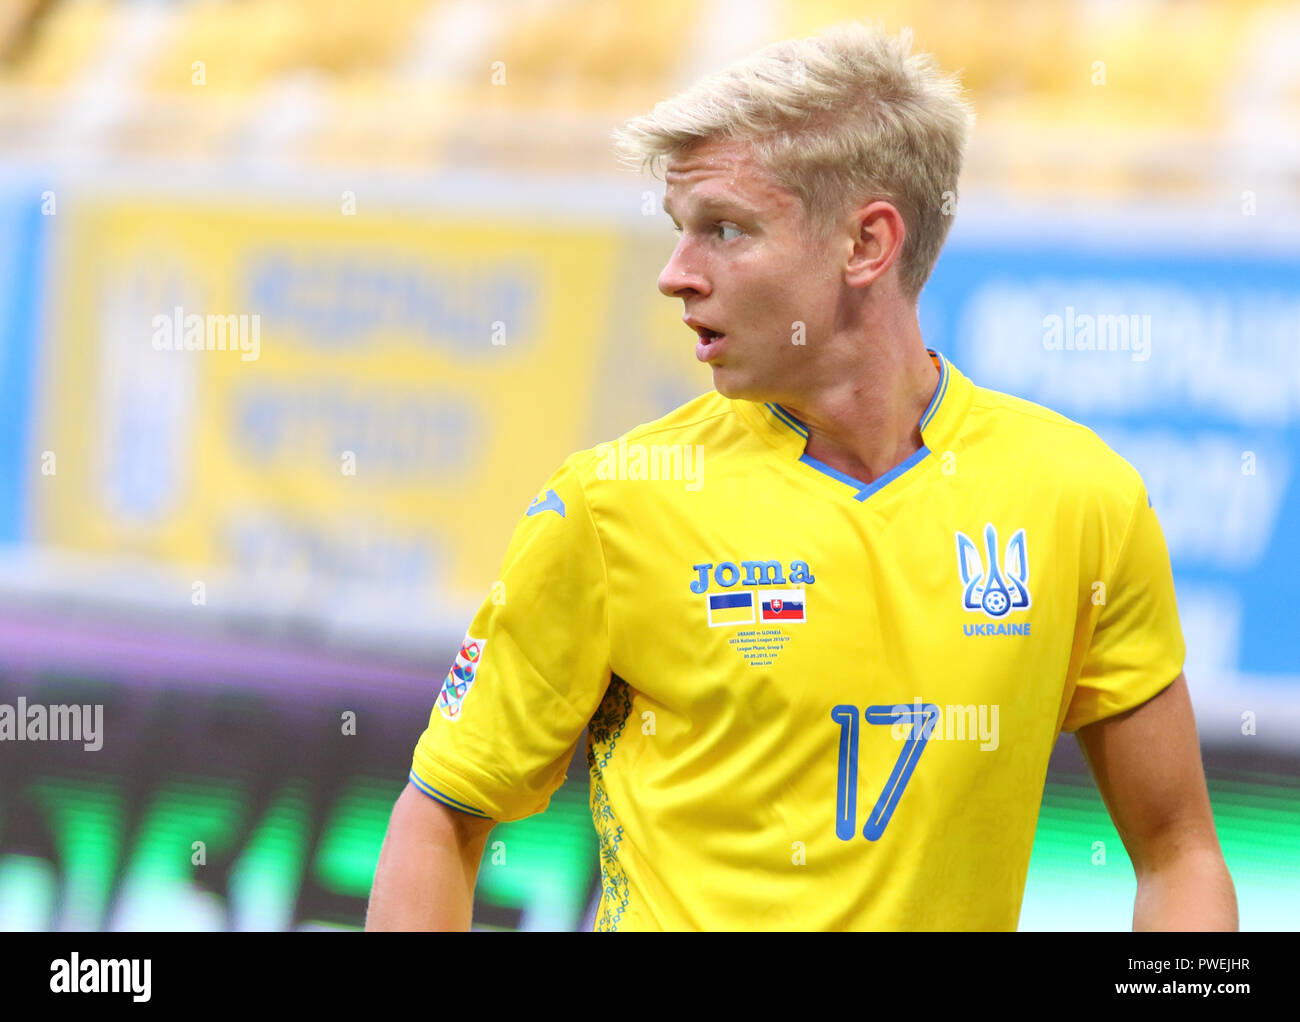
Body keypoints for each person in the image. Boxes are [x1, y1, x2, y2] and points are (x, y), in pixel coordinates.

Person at [366, 21, 1236, 931]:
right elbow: (440, 817)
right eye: (680, 231)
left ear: (866, 245)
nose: (675, 275)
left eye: (725, 230)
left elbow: (1180, 851)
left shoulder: (1079, 497)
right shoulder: (611, 504)